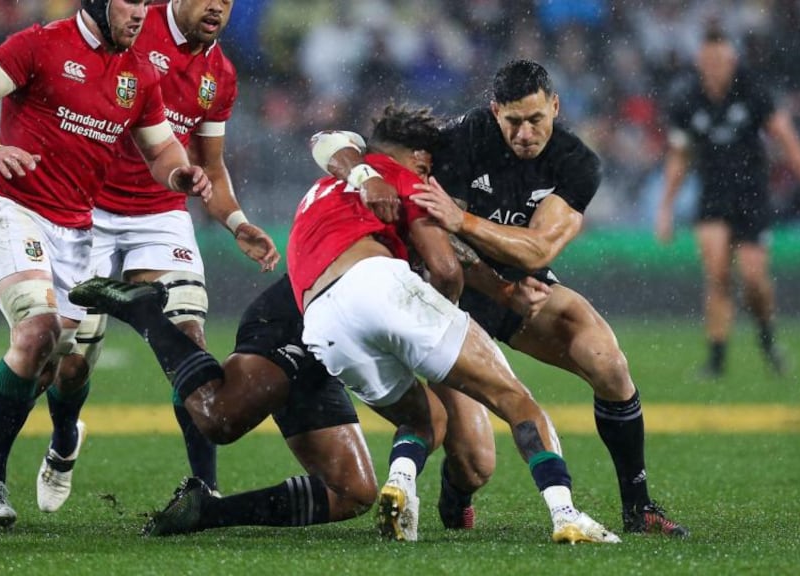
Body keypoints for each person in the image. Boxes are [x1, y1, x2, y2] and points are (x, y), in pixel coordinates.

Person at [161, 103, 616, 543]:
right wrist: (451, 314)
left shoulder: (320, 191)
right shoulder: (405, 179)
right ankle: (566, 514)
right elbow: (445, 268)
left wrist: (496, 291)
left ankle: (401, 484)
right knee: (516, 401)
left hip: (322, 321)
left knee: (425, 421)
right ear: (419, 159)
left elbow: (326, 146)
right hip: (381, 289)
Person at [314, 59, 689, 537]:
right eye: (513, 121)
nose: (526, 133)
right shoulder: (463, 138)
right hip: (450, 295)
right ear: (495, 112)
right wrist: (364, 175)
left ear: (555, 106)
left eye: (536, 119)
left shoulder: (576, 164)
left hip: (518, 290)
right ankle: (457, 494)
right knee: (475, 462)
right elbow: (333, 145)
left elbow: (540, 247)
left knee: (609, 362)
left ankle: (639, 508)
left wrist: (463, 221)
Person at [0, 0, 211, 531]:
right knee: (38, 331)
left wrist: (180, 177)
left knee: (50, 365)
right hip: (12, 209)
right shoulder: (42, 43)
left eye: (147, 2)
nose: (141, 12)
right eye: (130, 1)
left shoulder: (139, 72)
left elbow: (162, 147)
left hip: (76, 231)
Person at [34, 0, 280, 515]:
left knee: (186, 340)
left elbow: (209, 166)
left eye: (228, 1)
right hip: (91, 208)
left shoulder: (220, 73)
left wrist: (237, 223)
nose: (218, 7)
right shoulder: (131, 30)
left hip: (160, 214)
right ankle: (62, 441)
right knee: (72, 365)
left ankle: (203, 489)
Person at [69, 273, 377, 536]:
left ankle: (207, 511)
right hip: (301, 317)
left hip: (329, 344)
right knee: (220, 418)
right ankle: (144, 312)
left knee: (353, 493)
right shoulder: (396, 220)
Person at [655, 27, 800, 379]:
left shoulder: (752, 90)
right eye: (709, 60)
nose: (715, 66)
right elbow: (679, 158)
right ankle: (716, 361)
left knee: (753, 278)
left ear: (733, 60)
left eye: (721, 59)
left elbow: (787, 139)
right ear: (699, 61)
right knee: (717, 273)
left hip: (752, 194)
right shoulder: (687, 99)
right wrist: (666, 207)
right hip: (712, 195)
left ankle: (767, 339)